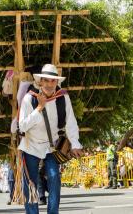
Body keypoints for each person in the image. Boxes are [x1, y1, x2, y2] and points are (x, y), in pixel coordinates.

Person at [18, 64, 83, 214]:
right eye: (46, 81)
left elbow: (71, 121)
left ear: (56, 82)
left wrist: (75, 143)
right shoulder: (29, 99)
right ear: (40, 81)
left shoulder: (63, 97)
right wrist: (39, 108)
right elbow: (22, 126)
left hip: (51, 146)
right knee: (30, 184)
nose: (49, 84)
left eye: (52, 81)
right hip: (31, 145)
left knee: (54, 179)